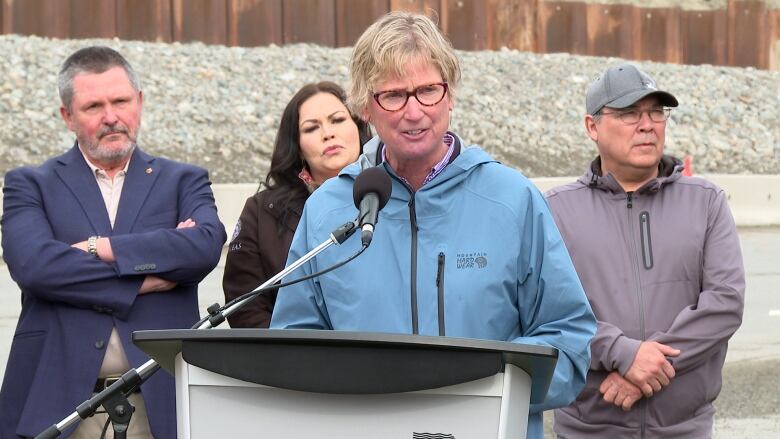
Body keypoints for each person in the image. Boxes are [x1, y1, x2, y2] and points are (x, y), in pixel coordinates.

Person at [270, 11, 596, 439]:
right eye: (394, 95)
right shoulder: (329, 211)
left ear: (450, 95)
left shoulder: (512, 200)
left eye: (427, 90)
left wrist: (485, 392)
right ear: (365, 106)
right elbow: (294, 347)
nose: (414, 111)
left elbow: (568, 338)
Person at [0, 46, 226, 439]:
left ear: (139, 102)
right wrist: (146, 276)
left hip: (162, 402)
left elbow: (204, 246)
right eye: (93, 107)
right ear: (67, 116)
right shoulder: (29, 184)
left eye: (121, 101)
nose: (111, 117)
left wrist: (99, 248)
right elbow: (36, 266)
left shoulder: (183, 180)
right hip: (59, 403)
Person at [546, 64, 745, 438]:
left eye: (656, 112)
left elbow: (725, 303)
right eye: (628, 113)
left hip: (684, 429)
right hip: (589, 429)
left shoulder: (706, 202)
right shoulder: (556, 211)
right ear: (592, 126)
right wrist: (622, 353)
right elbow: (548, 312)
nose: (647, 124)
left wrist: (646, 368)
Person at [222, 81, 371, 328]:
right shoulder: (261, 213)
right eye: (312, 128)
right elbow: (245, 305)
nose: (328, 133)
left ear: (358, 127)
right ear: (298, 147)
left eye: (337, 120)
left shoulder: (394, 193)